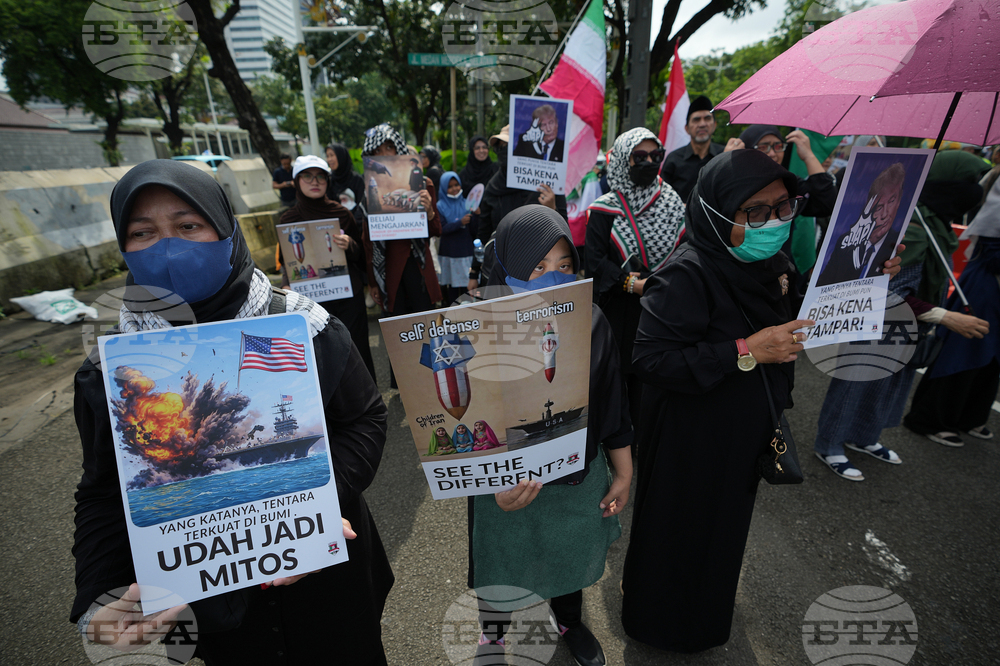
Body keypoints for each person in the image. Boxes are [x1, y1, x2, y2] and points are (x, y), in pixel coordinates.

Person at [70, 159, 393, 664]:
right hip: (215, 611)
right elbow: (104, 492)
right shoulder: (110, 375)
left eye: (187, 226)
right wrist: (100, 596)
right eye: (143, 232)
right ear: (122, 246)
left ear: (225, 230)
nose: (168, 246)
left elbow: (366, 419)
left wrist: (316, 505)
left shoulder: (303, 327)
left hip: (330, 582)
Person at [621, 149, 903, 651]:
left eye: (781, 208)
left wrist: (870, 271)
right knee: (677, 529)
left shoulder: (774, 261)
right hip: (689, 433)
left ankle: (706, 618)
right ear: (714, 211)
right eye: (754, 211)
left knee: (724, 530)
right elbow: (651, 360)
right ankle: (655, 623)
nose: (772, 222)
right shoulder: (687, 273)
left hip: (746, 427)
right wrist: (746, 350)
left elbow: (802, 317)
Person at [471, 205, 633, 666]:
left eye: (564, 266)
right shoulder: (474, 330)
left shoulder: (593, 322)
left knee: (569, 551)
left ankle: (569, 620)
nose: (552, 278)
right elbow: (462, 428)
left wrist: (623, 469)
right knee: (500, 557)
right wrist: (491, 481)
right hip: (503, 479)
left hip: (575, 473)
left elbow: (612, 402)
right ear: (504, 269)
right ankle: (495, 634)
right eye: (536, 267)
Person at [813, 150, 988, 478]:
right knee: (857, 381)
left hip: (908, 329)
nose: (974, 191)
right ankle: (830, 444)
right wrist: (942, 316)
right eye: (968, 183)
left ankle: (864, 437)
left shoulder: (936, 228)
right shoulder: (908, 230)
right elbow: (887, 291)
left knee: (890, 385)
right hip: (875, 321)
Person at [586, 128, 686, 428]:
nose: (649, 162)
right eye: (639, 157)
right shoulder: (604, 208)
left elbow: (686, 251)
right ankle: (620, 440)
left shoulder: (671, 201)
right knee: (618, 375)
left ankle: (648, 436)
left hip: (662, 305)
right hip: (619, 309)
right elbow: (594, 261)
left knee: (655, 376)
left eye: (655, 156)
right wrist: (630, 283)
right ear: (621, 161)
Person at [903, 170, 1000, 444]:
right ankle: (933, 417)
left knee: (992, 359)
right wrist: (940, 315)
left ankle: (971, 415)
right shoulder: (918, 228)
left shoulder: (941, 229)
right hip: (986, 289)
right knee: (965, 349)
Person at [279, 154, 376, 381]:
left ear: (328, 181)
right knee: (320, 351)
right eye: (308, 176)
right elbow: (286, 261)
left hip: (347, 296)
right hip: (310, 298)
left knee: (357, 346)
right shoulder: (288, 219)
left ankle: (367, 398)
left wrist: (350, 245)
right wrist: (285, 284)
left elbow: (362, 257)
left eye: (321, 177)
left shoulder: (342, 214)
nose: (315, 182)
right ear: (296, 181)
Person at [362, 124, 442, 386]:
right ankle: (407, 388)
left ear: (398, 147)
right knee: (399, 331)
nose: (385, 154)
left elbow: (436, 229)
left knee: (426, 325)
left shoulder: (423, 182)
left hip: (418, 268)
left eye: (389, 147)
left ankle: (432, 384)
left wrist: (429, 211)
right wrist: (373, 282)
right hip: (390, 273)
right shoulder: (371, 187)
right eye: (377, 151)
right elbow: (368, 239)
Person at [469, 126, 564, 291]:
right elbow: (483, 235)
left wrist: (552, 209)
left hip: (538, 277)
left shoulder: (547, 186)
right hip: (498, 277)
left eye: (507, 147)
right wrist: (474, 272)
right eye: (498, 147)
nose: (502, 151)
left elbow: (565, 234)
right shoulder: (493, 187)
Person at [816, 162, 906, 286]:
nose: (885, 214)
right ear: (868, 209)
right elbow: (822, 285)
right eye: (879, 207)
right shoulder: (845, 243)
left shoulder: (894, 243)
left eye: (891, 201)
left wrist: (886, 281)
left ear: (899, 202)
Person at [660, 96, 724, 203]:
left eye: (707, 118)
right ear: (687, 128)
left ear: (714, 125)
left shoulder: (723, 156)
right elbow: (662, 197)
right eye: (696, 119)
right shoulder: (674, 159)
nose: (702, 124)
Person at [436, 171, 479, 304]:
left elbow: (475, 231)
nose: (454, 189)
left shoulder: (468, 204)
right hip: (449, 253)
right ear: (443, 188)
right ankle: (453, 321)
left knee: (468, 289)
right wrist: (459, 223)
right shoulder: (439, 206)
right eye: (450, 186)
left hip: (466, 252)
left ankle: (469, 320)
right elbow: (441, 229)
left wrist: (477, 215)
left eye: (456, 185)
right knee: (452, 292)